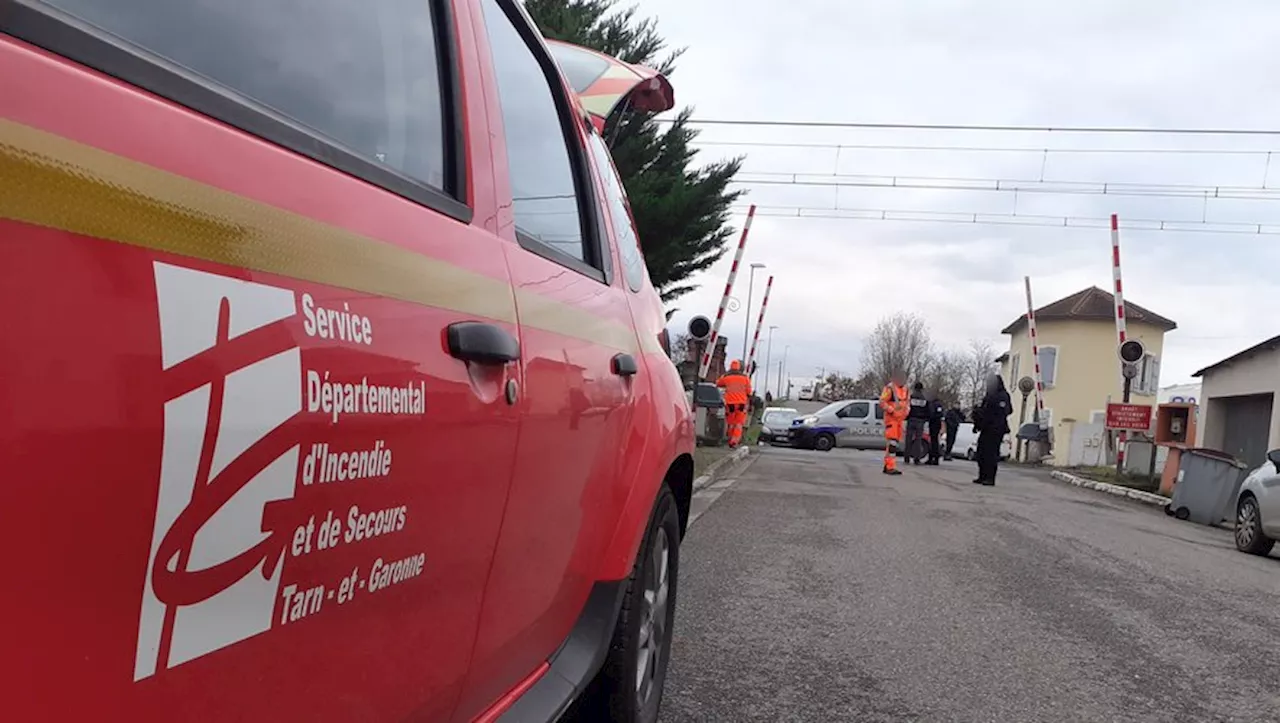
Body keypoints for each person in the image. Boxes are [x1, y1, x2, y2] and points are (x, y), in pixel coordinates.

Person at [972, 373, 1013, 486]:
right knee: (981, 453)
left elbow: (1006, 411)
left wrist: (991, 413)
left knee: (991, 454)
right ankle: (982, 476)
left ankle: (990, 478)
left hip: (996, 429)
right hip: (985, 428)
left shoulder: (1002, 395)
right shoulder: (989, 395)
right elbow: (984, 411)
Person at [878, 370, 909, 475]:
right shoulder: (890, 388)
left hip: (900, 420)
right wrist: (892, 410)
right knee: (892, 443)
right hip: (891, 419)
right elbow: (882, 402)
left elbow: (907, 403)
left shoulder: (906, 389)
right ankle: (890, 466)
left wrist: (906, 412)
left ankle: (888, 465)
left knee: (893, 444)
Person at [716, 360, 752, 448]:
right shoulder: (745, 378)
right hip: (741, 404)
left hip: (730, 404)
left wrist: (725, 375)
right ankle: (734, 441)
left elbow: (718, 383)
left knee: (731, 422)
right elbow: (749, 392)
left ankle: (729, 438)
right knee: (739, 423)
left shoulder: (727, 377)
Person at [904, 381, 929, 465]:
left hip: (911, 420)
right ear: (921, 389)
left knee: (908, 439)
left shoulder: (911, 397)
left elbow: (906, 408)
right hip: (920, 421)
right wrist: (924, 419)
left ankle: (906, 457)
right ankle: (916, 458)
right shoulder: (924, 399)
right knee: (918, 440)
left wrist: (906, 417)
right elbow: (927, 411)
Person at [926, 392, 945, 465]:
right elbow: (940, 414)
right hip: (937, 423)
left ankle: (932, 457)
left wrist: (930, 418)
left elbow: (931, 413)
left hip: (933, 423)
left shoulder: (932, 404)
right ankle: (934, 458)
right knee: (935, 441)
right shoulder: (939, 405)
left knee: (933, 441)